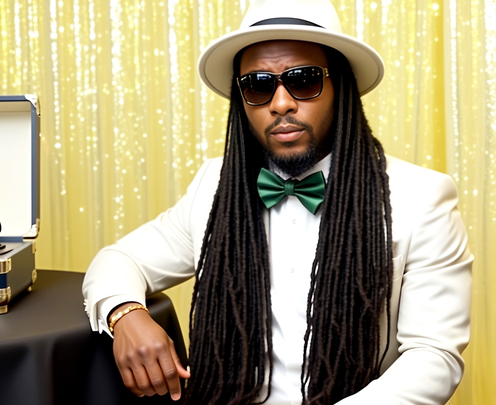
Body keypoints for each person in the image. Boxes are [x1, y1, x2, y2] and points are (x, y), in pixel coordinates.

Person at [82, 0, 473, 404]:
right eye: (258, 85)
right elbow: (118, 260)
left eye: (303, 80)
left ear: (340, 86)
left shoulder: (421, 198)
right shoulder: (214, 187)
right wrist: (125, 313)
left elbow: (434, 356)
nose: (281, 103)